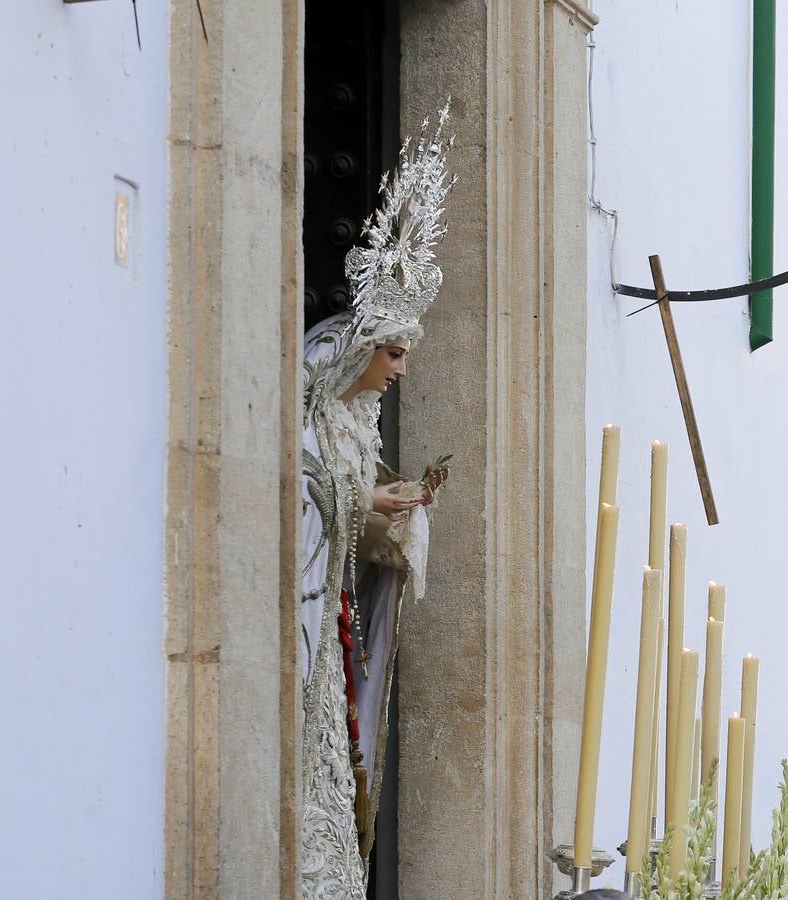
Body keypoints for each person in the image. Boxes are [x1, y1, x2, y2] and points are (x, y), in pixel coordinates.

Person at [297, 108, 455, 899]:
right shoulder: (308, 413)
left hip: (332, 640)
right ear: (362, 345)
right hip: (305, 639)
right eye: (394, 352)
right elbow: (305, 513)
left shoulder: (358, 427)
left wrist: (393, 512)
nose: (398, 369)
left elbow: (352, 528)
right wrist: (363, 503)